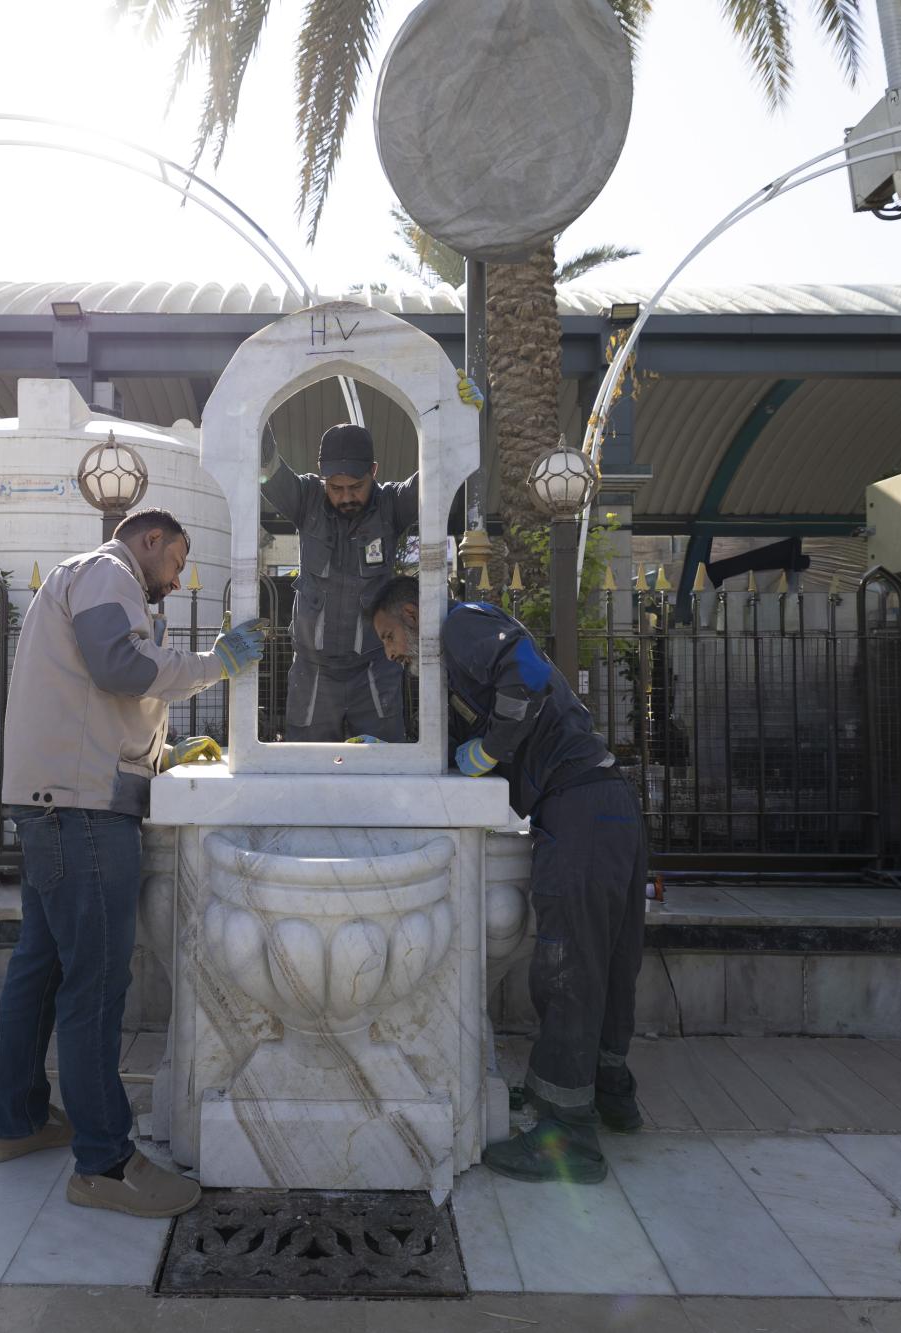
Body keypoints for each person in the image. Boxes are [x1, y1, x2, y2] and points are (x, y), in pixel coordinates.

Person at [0, 509, 266, 1218]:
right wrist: (217, 663)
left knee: (42, 966)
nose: (176, 577)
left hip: (54, 800)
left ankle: (17, 1120)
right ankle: (105, 1163)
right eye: (177, 560)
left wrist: (156, 752)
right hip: (83, 811)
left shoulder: (81, 579)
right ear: (151, 539)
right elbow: (121, 668)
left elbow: (94, 693)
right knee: (97, 983)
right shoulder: (110, 572)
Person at [369, 575, 644, 1184]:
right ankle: (608, 1092)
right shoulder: (455, 668)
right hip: (602, 804)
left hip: (579, 807)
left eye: (389, 636)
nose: (390, 653)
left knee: (567, 968)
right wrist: (387, 758)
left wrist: (491, 747)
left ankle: (569, 1136)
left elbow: (528, 679)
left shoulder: (458, 623)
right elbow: (451, 752)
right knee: (606, 961)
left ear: (413, 613)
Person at [262, 422, 418, 742]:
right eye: (335, 487)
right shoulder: (305, 498)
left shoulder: (392, 505)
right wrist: (249, 402)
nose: (346, 496)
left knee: (385, 760)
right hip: (313, 673)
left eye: (356, 486)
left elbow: (438, 473)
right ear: (322, 477)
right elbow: (264, 460)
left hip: (374, 670)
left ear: (374, 471)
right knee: (307, 763)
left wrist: (457, 413)